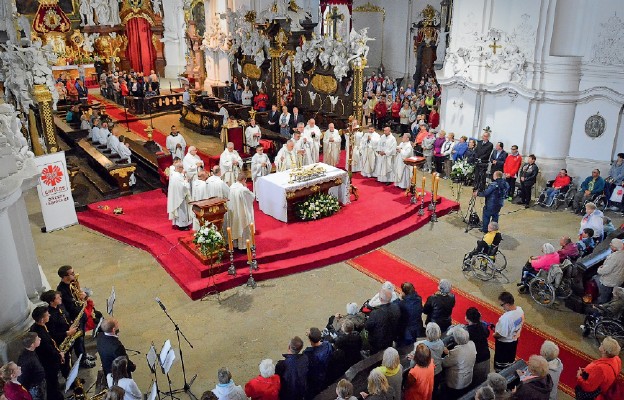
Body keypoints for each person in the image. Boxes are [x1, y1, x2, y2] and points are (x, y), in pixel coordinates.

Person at [29, 307, 63, 400]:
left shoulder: (39, 326)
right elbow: (49, 351)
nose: (49, 315)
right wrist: (60, 355)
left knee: (54, 384)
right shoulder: (40, 334)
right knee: (53, 385)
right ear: (42, 319)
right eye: (47, 314)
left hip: (48, 361)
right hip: (49, 364)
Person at [441, 327, 476, 398]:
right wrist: (449, 352)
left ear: (456, 339)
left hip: (456, 383)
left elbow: (444, 363)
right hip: (468, 379)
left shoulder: (457, 352)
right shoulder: (472, 344)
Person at [411, 323, 444, 397]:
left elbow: (412, 364)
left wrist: (413, 358)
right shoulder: (441, 343)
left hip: (426, 376)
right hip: (438, 371)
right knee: (433, 391)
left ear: (427, 332)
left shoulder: (420, 346)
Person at [493, 292, 524, 372]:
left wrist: (494, 334)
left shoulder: (506, 318)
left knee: (501, 366)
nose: (502, 308)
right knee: (510, 361)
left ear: (507, 304)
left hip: (504, 345)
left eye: (502, 305)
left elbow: (500, 335)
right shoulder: (520, 310)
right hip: (513, 341)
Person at [365, 287, 400, 354]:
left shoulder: (375, 313)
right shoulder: (396, 307)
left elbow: (367, 326)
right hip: (390, 338)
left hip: (377, 341)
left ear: (380, 299)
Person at [303, 328, 333, 398]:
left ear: (310, 341)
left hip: (315, 378)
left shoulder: (308, 353)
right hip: (326, 372)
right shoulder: (328, 345)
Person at [228, 173, 254, 250]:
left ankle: (236, 245)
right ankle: (244, 246)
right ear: (243, 180)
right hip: (242, 212)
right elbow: (252, 197)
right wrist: (246, 187)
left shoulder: (232, 187)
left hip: (234, 211)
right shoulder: (243, 189)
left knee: (236, 227)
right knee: (244, 228)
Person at [465, 307, 491, 386]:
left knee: (477, 383)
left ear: (466, 318)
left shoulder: (467, 331)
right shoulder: (483, 326)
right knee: (484, 378)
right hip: (486, 356)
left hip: (477, 359)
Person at [593, 238, 624, 304]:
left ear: (615, 248)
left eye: (611, 245)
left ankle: (601, 307)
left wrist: (599, 269)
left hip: (608, 282)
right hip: (618, 280)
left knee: (603, 296)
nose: (610, 245)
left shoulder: (614, 257)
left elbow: (605, 270)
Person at [17, 333, 46, 400]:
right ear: (32, 344)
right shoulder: (26, 360)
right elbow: (22, 378)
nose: (40, 338)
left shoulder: (30, 351)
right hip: (35, 389)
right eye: (37, 339)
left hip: (39, 384)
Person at [397, 282, 423, 346]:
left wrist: (399, 299)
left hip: (407, 331)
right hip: (418, 327)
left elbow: (395, 308)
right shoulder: (419, 299)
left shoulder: (402, 304)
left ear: (403, 292)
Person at [167, 163, 191, 230]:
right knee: (182, 211)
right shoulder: (177, 176)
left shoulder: (174, 174)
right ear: (178, 168)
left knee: (179, 211)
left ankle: (178, 224)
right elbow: (183, 187)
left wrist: (183, 175)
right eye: (182, 168)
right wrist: (186, 181)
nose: (183, 169)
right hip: (180, 197)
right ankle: (183, 226)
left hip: (177, 196)